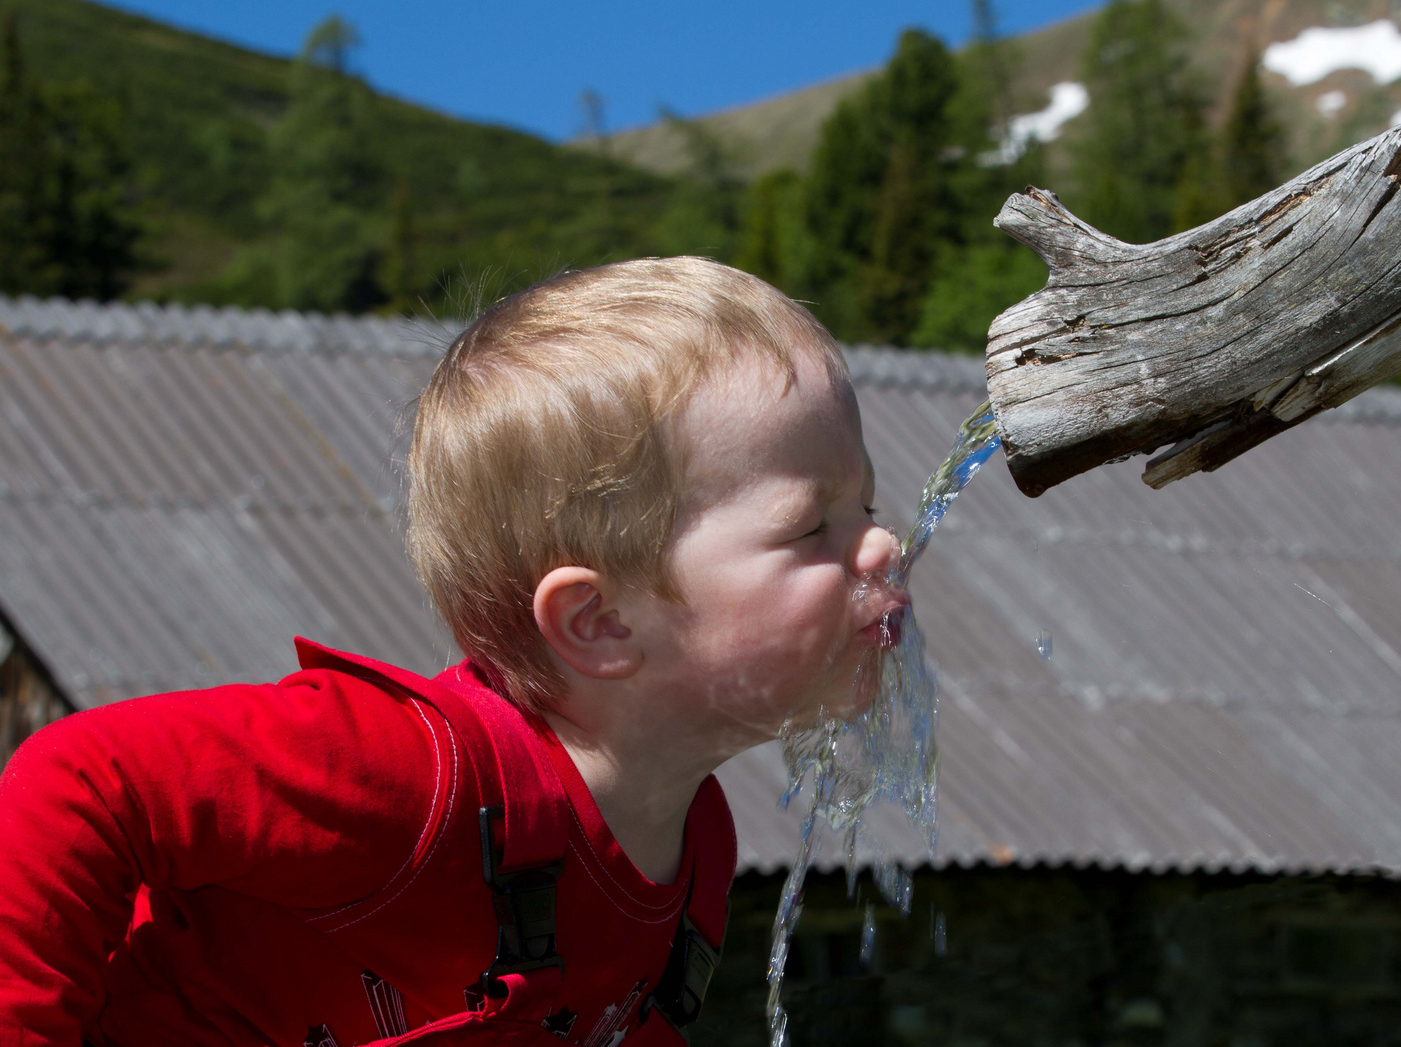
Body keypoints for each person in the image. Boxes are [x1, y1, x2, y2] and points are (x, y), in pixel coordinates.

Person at [0, 258, 907, 1047]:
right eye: (809, 526)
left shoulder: (695, 844)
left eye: (865, 508)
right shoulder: (409, 776)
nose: (883, 545)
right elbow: (82, 780)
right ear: (600, 622)